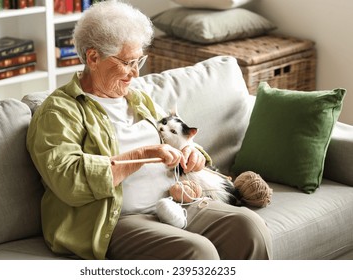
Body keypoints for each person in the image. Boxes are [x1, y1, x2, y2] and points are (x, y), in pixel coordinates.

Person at [26, 0, 272, 260]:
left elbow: (178, 139)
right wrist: (140, 155)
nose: (134, 73)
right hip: (117, 219)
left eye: (138, 61)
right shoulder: (59, 112)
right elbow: (68, 181)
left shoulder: (138, 98)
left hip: (175, 202)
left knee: (249, 226)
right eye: (126, 62)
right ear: (93, 57)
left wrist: (192, 153)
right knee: (198, 252)